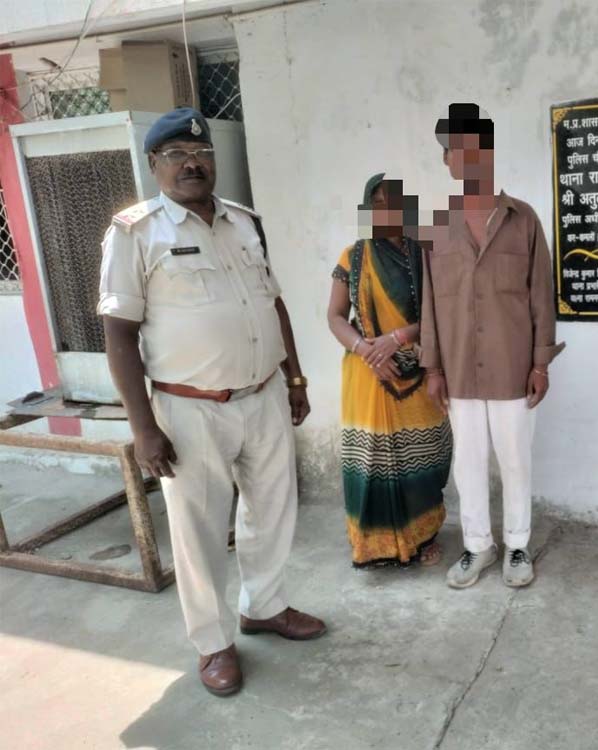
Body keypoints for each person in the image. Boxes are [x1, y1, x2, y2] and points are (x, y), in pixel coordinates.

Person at [98, 108, 326, 697]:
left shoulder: (244, 222)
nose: (191, 163)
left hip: (264, 394)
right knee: (198, 530)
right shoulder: (135, 233)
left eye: (200, 153)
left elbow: (273, 304)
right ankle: (213, 642)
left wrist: (295, 379)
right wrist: (143, 427)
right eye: (176, 154)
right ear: (154, 164)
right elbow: (119, 335)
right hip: (188, 408)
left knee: (273, 509)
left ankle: (264, 607)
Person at [420, 103, 564, 589]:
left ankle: (517, 544)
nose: (464, 157)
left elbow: (541, 295)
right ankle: (478, 546)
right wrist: (432, 368)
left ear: (489, 151)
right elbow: (430, 303)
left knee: (515, 459)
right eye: (454, 150)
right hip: (459, 369)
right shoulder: (437, 226)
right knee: (468, 464)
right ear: (447, 161)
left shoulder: (523, 220)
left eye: (473, 147)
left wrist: (541, 364)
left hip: (512, 368)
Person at [326, 174, 452, 567]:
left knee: (427, 455)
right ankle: (374, 544)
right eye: (378, 203)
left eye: (395, 201)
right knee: (372, 462)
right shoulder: (353, 256)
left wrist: (398, 337)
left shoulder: (428, 250)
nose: (387, 210)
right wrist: (367, 350)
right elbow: (335, 317)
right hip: (369, 374)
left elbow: (445, 309)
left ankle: (425, 534)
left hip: (421, 366)